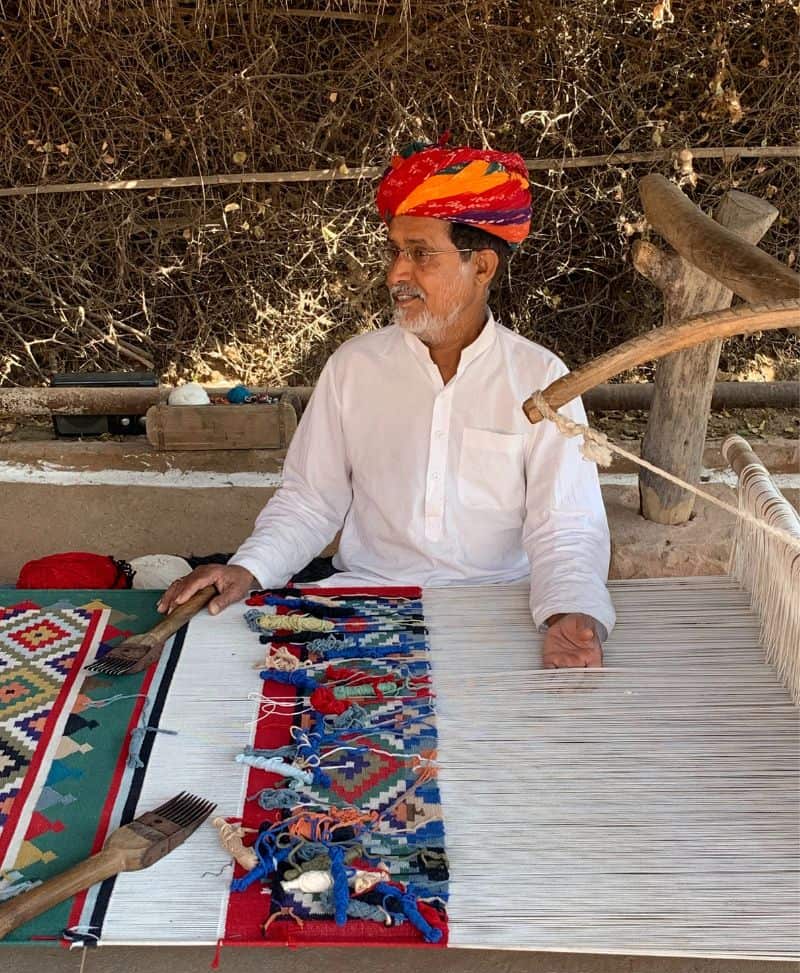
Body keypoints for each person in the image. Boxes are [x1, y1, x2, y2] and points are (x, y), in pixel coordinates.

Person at [159, 139, 615, 668]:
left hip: (498, 608)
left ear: (482, 267)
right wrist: (249, 568)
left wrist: (570, 612)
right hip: (366, 603)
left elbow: (566, 523)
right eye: (395, 251)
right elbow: (311, 500)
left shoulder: (541, 378)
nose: (397, 273)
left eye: (420, 253)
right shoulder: (355, 367)